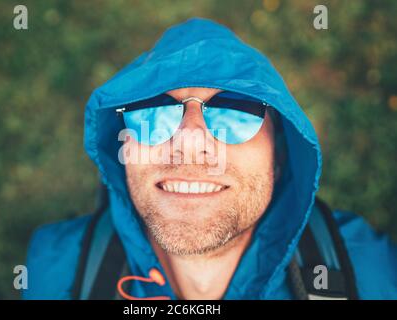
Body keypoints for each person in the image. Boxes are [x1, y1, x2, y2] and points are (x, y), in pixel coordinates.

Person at [23, 18, 397, 300]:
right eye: (152, 112)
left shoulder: (368, 271)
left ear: (279, 155)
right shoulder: (55, 270)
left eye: (236, 113)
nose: (189, 141)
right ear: (123, 150)